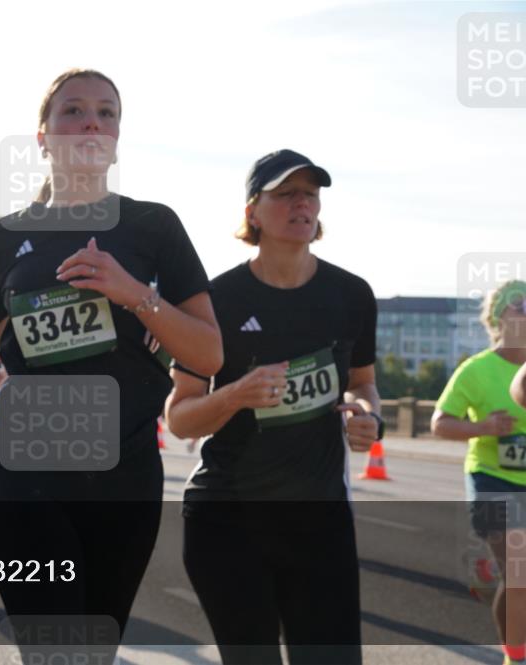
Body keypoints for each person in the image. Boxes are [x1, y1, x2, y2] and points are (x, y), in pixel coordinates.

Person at [0, 69, 222, 654]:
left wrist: (133, 293)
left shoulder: (153, 226)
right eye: (74, 110)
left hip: (124, 472)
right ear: (43, 136)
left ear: (117, 138)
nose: (92, 121)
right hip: (26, 467)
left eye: (106, 112)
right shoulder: (8, 236)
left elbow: (208, 353)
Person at [166, 149, 380, 664]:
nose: (301, 204)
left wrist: (367, 416)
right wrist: (236, 394)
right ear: (252, 213)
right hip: (229, 521)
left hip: (319, 519)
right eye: (285, 193)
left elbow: (364, 385)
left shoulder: (351, 294)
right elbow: (179, 416)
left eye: (310, 193)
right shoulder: (214, 299)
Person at [432, 279, 526, 665]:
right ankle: (516, 658)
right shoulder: (476, 370)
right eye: (519, 305)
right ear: (498, 316)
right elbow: (440, 423)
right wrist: (482, 428)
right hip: (492, 479)